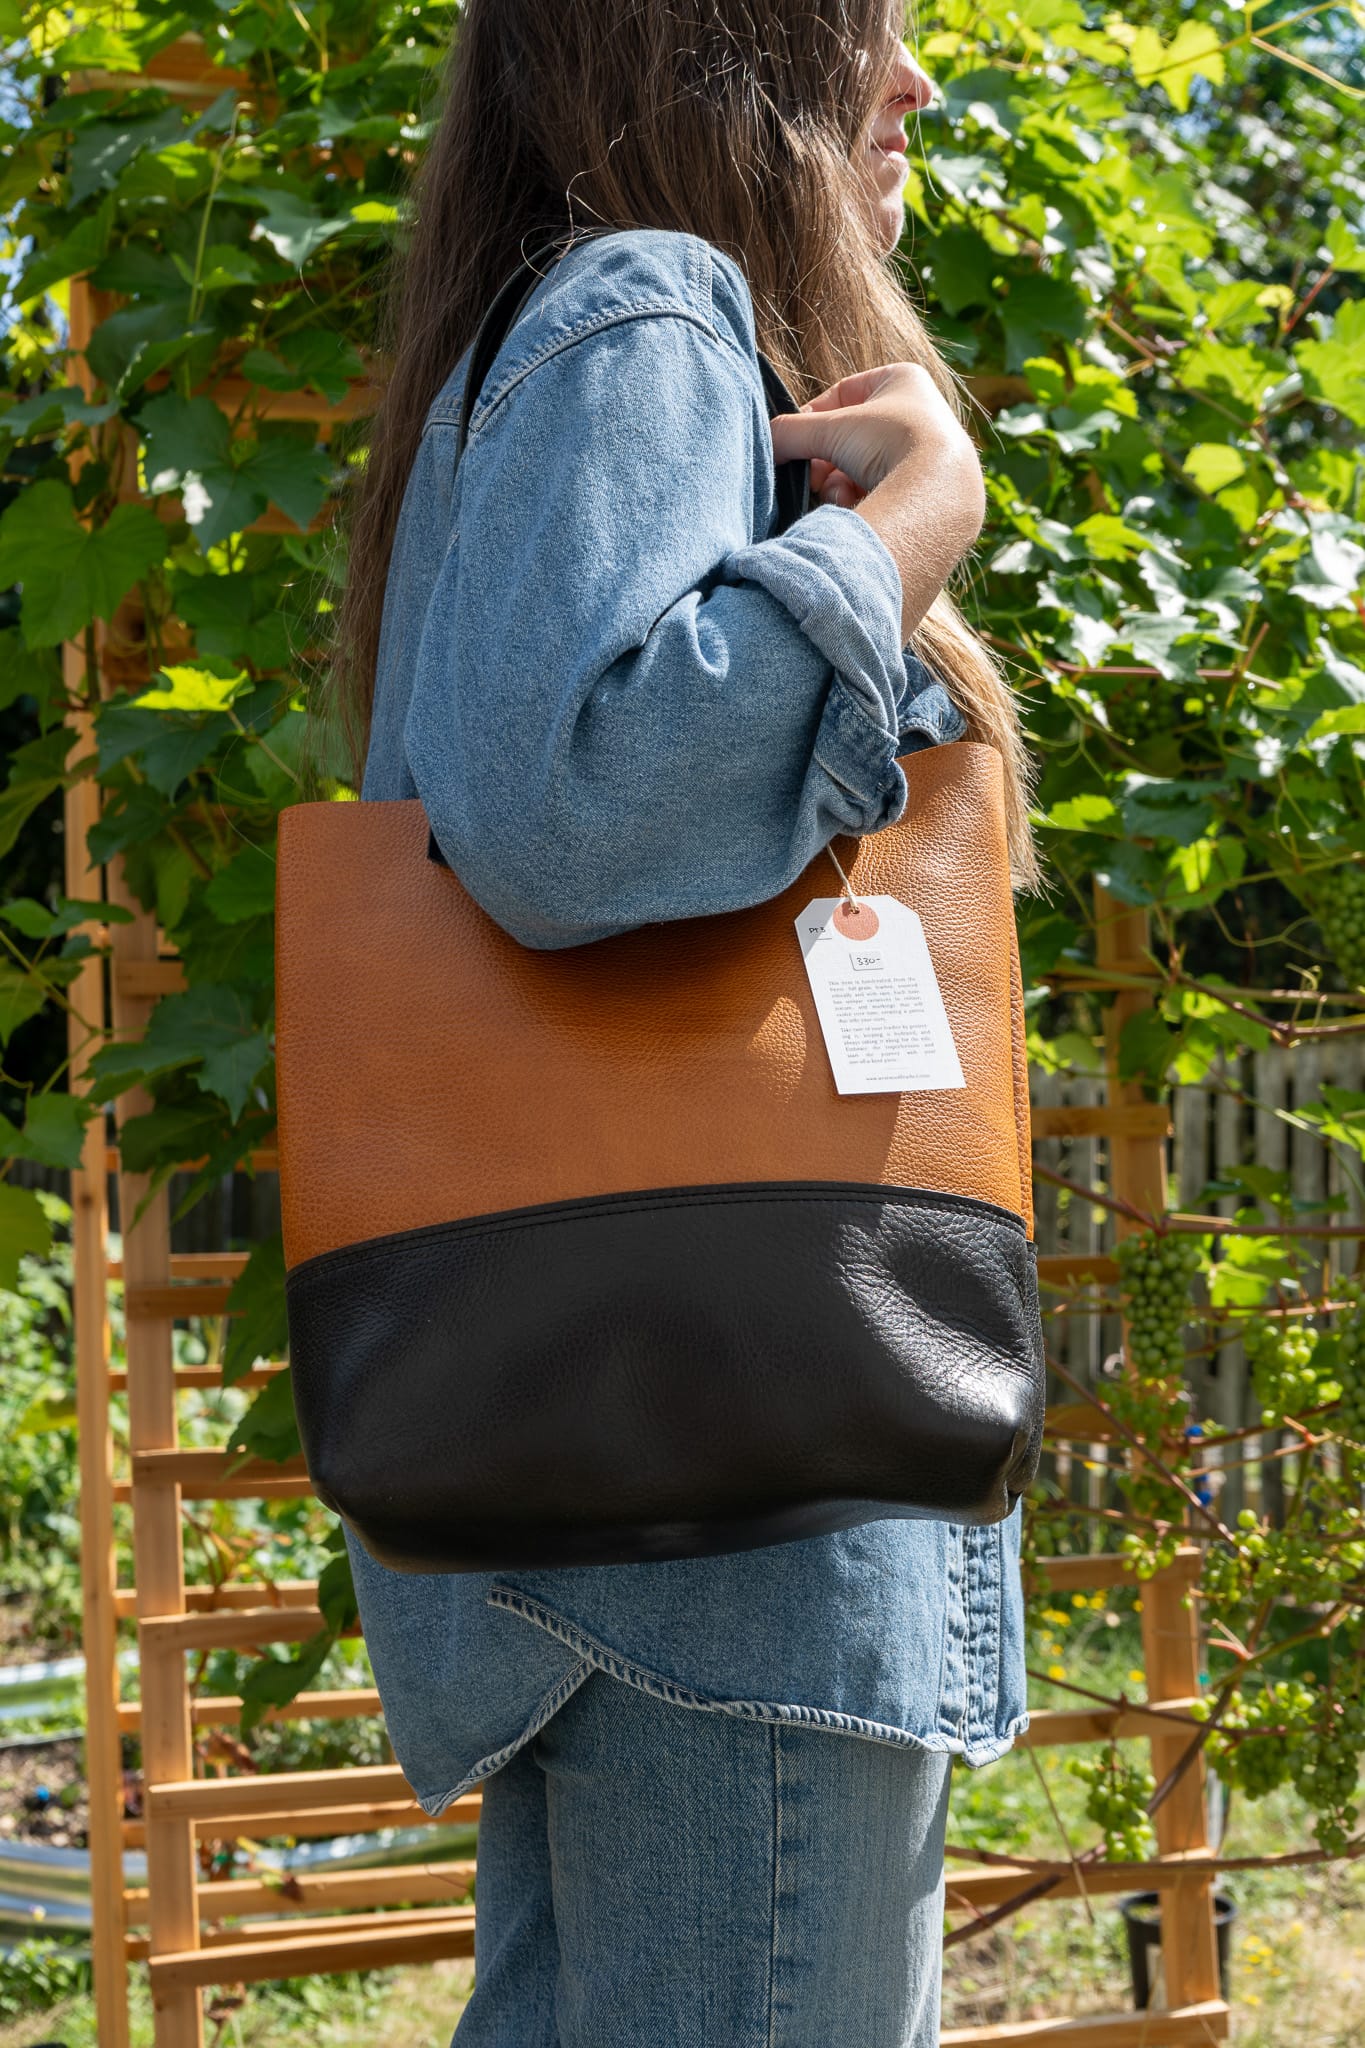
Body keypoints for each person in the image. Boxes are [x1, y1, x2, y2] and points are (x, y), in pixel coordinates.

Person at [327, 4, 1038, 2042]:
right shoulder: (649, 302)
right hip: (735, 1538)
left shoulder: (570, 339)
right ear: (729, 51)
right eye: (872, 34)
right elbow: (575, 807)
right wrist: (907, 526)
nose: (910, 87)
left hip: (646, 1513)